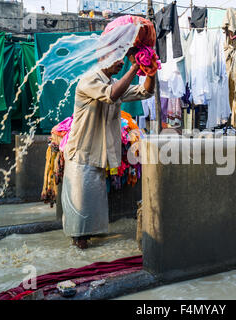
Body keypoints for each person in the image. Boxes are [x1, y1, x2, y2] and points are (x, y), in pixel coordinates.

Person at [61, 49, 155, 249]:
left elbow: (145, 91)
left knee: (92, 212)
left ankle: (85, 250)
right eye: (117, 57)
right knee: (78, 220)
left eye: (123, 58)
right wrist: (136, 66)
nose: (121, 62)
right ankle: (80, 257)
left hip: (98, 153)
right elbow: (111, 96)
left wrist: (151, 72)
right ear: (102, 59)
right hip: (82, 152)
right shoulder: (89, 80)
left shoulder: (114, 84)